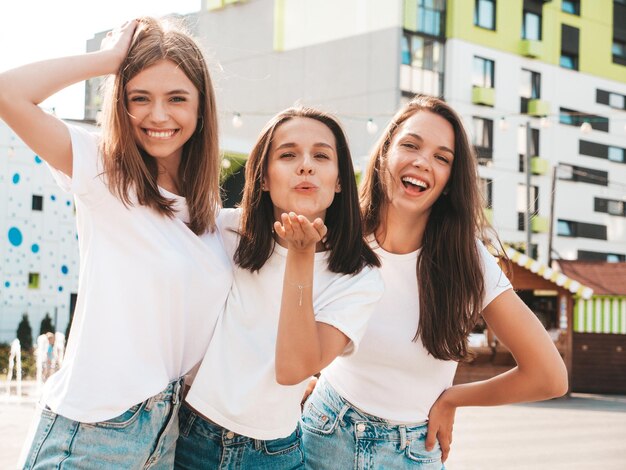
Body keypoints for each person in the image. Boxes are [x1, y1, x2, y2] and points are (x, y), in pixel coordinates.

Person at [0, 17, 233, 469]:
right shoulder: (104, 175)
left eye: (177, 99)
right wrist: (108, 61)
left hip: (164, 442)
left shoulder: (212, 224)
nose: (158, 115)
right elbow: (8, 93)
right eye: (139, 98)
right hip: (91, 437)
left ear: (202, 108)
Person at [300, 95, 569, 469]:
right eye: (410, 145)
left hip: (411, 451)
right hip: (321, 433)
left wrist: (453, 398)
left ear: (448, 182)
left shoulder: (466, 260)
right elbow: (286, 319)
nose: (422, 162)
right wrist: (308, 378)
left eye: (442, 158)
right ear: (384, 154)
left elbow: (549, 376)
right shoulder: (339, 232)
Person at [174, 107, 383, 469]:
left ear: (338, 180)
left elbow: (293, 369)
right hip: (188, 434)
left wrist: (301, 257)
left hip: (275, 454)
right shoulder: (223, 231)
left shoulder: (358, 277)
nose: (306, 166)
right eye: (288, 155)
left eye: (321, 155)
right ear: (264, 178)